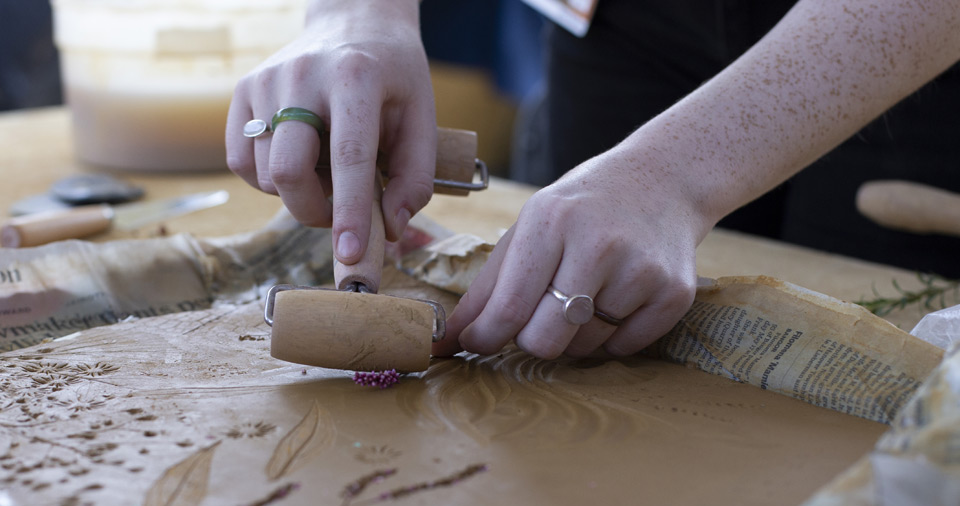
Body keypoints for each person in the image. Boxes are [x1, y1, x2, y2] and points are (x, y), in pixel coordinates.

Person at [225, 0, 960, 363]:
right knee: (589, 321)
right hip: (619, 21)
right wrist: (357, 15)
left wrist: (675, 177)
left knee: (870, 374)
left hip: (902, 43)